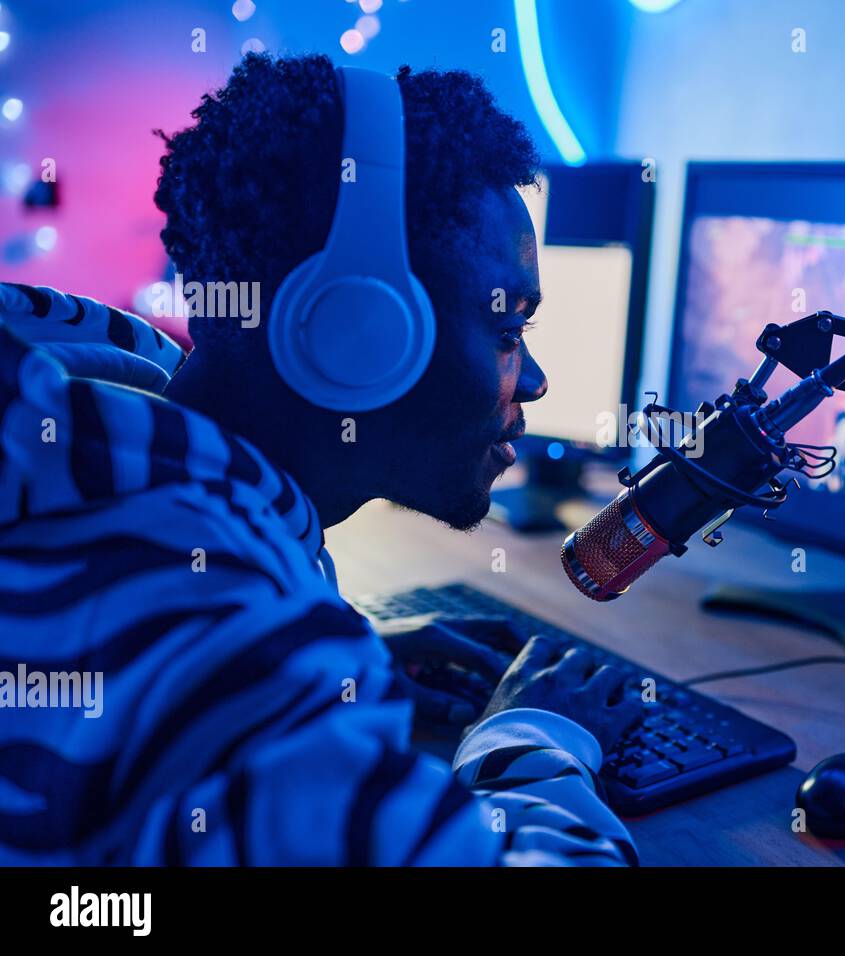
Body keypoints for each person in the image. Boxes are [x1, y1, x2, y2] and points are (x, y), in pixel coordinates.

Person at [0, 53, 643, 866]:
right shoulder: (228, 635)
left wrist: (344, 657)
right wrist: (535, 735)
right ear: (360, 332)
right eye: (509, 331)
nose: (538, 381)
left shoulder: (100, 445)